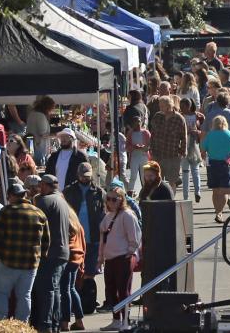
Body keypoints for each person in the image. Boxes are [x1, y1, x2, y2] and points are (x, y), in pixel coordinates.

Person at [0, 182, 49, 322]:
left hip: (8, 261)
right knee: (25, 295)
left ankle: (2, 324)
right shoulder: (39, 213)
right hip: (30, 263)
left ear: (11, 196)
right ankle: (22, 326)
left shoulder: (7, 211)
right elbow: (46, 241)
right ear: (24, 195)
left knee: (1, 293)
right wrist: (39, 258)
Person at [32, 174, 72, 332]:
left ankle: (46, 324)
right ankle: (54, 323)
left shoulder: (45, 201)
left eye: (41, 185)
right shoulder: (61, 200)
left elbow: (34, 224)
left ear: (45, 185)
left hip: (51, 251)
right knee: (54, 289)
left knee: (48, 289)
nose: (39, 188)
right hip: (61, 251)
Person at [98, 187, 141, 332]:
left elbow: (135, 236)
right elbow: (102, 238)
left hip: (123, 257)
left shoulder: (127, 215)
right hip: (110, 258)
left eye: (114, 199)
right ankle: (116, 320)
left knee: (124, 291)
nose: (110, 202)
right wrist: (100, 258)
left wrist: (130, 252)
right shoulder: (108, 216)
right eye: (108, 199)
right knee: (111, 291)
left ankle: (126, 321)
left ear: (121, 199)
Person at [63, 163, 103, 287]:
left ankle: (89, 299)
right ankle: (78, 298)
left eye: (87, 176)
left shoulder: (99, 192)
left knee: (90, 273)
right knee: (75, 272)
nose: (85, 178)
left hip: (93, 238)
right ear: (78, 175)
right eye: (83, 176)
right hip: (75, 239)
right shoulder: (69, 190)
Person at [201, 116, 230, 223]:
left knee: (215, 190)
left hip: (212, 163)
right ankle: (220, 211)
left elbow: (203, 151)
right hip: (227, 162)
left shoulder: (210, 135)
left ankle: (218, 212)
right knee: (226, 189)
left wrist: (206, 161)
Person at [148, 96, 188, 192]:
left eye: (162, 106)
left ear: (169, 105)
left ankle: (171, 200)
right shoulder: (157, 116)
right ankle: (159, 201)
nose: (160, 108)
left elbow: (184, 137)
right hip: (157, 154)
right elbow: (152, 134)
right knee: (157, 180)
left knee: (172, 181)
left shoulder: (179, 119)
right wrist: (150, 149)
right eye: (159, 106)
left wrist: (183, 152)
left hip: (172, 155)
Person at [60, 208, 87, 331]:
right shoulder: (76, 221)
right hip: (76, 257)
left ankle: (65, 322)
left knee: (65, 290)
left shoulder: (64, 221)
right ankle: (79, 320)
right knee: (71, 289)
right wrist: (82, 262)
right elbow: (83, 243)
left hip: (67, 257)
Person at [180, 98, 204, 204]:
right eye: (181, 106)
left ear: (189, 106)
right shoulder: (180, 117)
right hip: (184, 145)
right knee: (185, 171)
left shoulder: (199, 117)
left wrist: (197, 132)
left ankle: (197, 192)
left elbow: (204, 131)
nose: (182, 109)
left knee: (195, 169)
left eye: (184, 106)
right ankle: (186, 196)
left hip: (195, 145)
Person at [123, 115, 151, 195]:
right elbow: (127, 146)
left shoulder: (145, 132)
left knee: (144, 176)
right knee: (133, 175)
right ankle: (130, 191)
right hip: (134, 157)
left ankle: (146, 192)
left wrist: (145, 147)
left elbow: (150, 144)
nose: (138, 124)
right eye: (136, 122)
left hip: (144, 156)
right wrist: (134, 147)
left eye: (139, 122)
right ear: (133, 124)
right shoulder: (130, 133)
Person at [28, 96, 56, 164]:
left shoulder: (32, 114)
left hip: (30, 143)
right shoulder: (40, 116)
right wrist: (56, 135)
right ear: (48, 107)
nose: (53, 110)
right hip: (38, 146)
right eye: (52, 108)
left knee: (32, 163)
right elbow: (43, 134)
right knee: (39, 165)